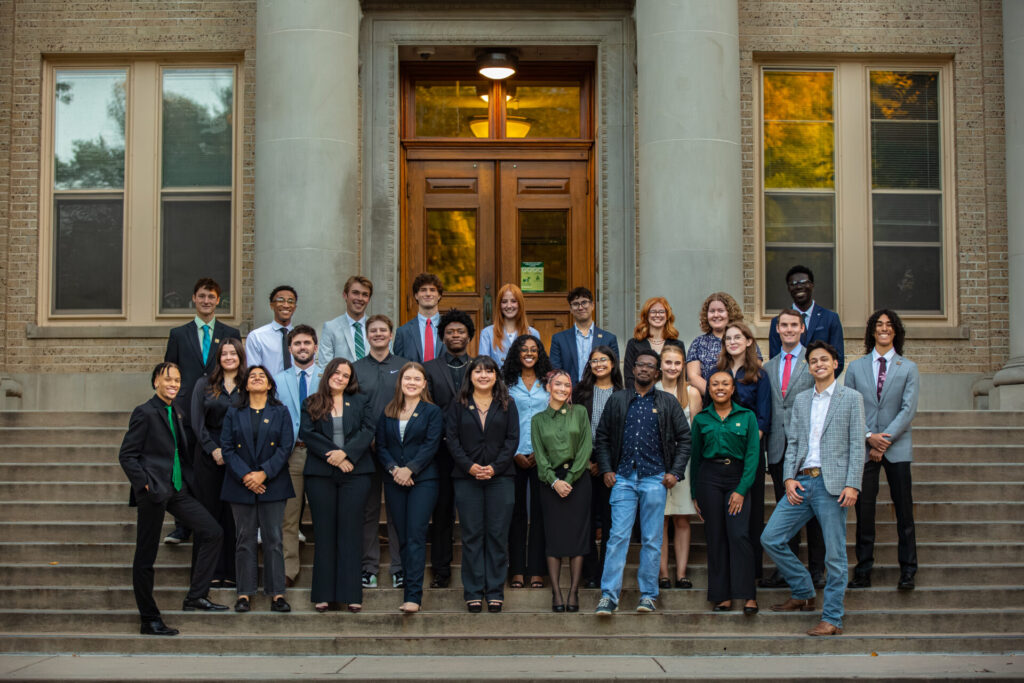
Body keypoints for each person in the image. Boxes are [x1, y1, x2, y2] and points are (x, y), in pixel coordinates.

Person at [760, 341, 865, 637]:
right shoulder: (803, 400)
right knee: (771, 537)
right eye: (814, 361)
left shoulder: (851, 398)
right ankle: (803, 589)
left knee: (835, 555)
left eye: (824, 359)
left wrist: (852, 484)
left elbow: (858, 446)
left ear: (835, 364)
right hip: (802, 482)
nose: (819, 364)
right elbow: (793, 443)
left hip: (833, 486)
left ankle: (832, 618)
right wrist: (788, 478)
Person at [118, 362, 227, 637]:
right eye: (168, 379)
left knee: (212, 531)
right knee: (146, 557)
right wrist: (144, 483)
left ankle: (196, 596)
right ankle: (149, 618)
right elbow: (127, 455)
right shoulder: (145, 412)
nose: (173, 384)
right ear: (156, 381)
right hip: (153, 491)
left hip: (177, 490)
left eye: (177, 380)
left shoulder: (176, 411)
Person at [593, 350, 691, 615]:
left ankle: (648, 594)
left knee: (651, 539)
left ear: (657, 373)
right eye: (641, 365)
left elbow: (685, 439)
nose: (645, 369)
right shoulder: (618, 400)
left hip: (655, 478)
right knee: (617, 538)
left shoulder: (668, 402)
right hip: (623, 477)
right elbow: (601, 437)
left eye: (651, 366)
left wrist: (675, 472)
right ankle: (608, 596)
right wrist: (606, 469)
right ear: (633, 370)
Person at [845, 309, 919, 591]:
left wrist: (883, 440)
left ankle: (908, 569)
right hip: (864, 448)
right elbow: (851, 407)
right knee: (864, 513)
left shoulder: (908, 367)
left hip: (897, 448)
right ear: (872, 332)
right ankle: (863, 570)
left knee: (904, 511)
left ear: (896, 331)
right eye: (879, 325)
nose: (884, 329)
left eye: (889, 325)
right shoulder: (855, 368)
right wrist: (868, 437)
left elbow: (908, 409)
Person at [163, 277, 241, 544]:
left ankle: (220, 523)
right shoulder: (178, 334)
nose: (206, 301)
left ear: (218, 301)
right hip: (186, 412)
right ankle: (183, 526)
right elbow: (169, 372)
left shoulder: (230, 333)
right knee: (184, 470)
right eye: (202, 296)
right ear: (194, 299)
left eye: (211, 297)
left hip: (219, 413)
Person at [299, 358, 376, 613]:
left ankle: (351, 594)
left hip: (356, 473)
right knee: (324, 533)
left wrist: (347, 455)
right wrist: (334, 455)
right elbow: (308, 433)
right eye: (337, 373)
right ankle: (323, 594)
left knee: (350, 532)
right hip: (321, 474)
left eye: (346, 374)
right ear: (328, 374)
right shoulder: (312, 402)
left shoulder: (361, 401)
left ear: (350, 379)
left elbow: (367, 430)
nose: (340, 378)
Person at [446, 356, 519, 613]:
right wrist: (470, 466)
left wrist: (494, 468)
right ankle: (474, 591)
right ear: (471, 376)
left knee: (497, 535)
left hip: (501, 478)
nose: (484, 375)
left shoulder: (508, 404)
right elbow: (452, 440)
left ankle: (496, 591)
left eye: (489, 371)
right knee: (472, 535)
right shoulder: (458, 404)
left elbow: (512, 440)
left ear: (496, 376)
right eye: (478, 371)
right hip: (467, 479)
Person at [219, 365, 295, 613]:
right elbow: (227, 448)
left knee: (274, 539)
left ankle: (277, 594)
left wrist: (263, 473)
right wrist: (247, 476)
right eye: (252, 376)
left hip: (273, 483)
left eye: (262, 376)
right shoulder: (234, 412)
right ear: (245, 385)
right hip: (240, 484)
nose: (257, 378)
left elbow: (285, 446)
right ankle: (244, 594)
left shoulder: (280, 412)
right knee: (244, 539)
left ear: (270, 385)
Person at [761, 309, 824, 589]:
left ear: (802, 329)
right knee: (786, 508)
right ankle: (788, 569)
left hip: (807, 447)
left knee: (813, 510)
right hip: (777, 446)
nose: (788, 329)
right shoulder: (769, 367)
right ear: (777, 330)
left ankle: (816, 569)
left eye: (793, 325)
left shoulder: (813, 363)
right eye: (783, 325)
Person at [375, 362, 443, 613]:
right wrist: (395, 469)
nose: (412, 383)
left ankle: (413, 596)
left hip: (423, 481)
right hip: (395, 480)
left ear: (424, 384)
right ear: (400, 382)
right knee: (402, 536)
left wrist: (410, 469)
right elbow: (380, 445)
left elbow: (431, 445)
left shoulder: (432, 412)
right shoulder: (389, 410)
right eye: (407, 378)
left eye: (417, 379)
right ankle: (406, 584)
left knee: (415, 535)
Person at [690, 371, 760, 614]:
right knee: (715, 536)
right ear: (708, 389)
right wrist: (694, 493)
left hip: (737, 478)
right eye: (714, 384)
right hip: (709, 479)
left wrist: (741, 490)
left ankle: (748, 594)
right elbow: (695, 458)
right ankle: (722, 595)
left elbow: (753, 457)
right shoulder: (701, 420)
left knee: (739, 534)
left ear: (733, 389)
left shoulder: (747, 416)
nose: (720, 387)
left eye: (725, 384)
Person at [421, 308, 475, 588]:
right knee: (441, 513)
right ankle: (441, 570)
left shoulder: (480, 367)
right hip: (440, 452)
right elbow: (427, 407)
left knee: (471, 516)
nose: (456, 335)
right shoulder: (428, 368)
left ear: (469, 336)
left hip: (473, 453)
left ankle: (475, 571)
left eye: (461, 331)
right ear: (442, 336)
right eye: (450, 331)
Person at [531, 369, 593, 612]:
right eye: (558, 384)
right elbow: (539, 454)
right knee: (554, 537)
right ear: (548, 387)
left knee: (578, 536)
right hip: (550, 483)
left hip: (578, 480)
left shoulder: (579, 413)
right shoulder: (538, 420)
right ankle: (556, 593)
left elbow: (585, 447)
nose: (563, 389)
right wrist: (554, 481)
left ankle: (573, 591)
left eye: (567, 385)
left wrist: (569, 478)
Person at [353, 314, 407, 590]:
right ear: (367, 335)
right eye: (372, 331)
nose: (377, 334)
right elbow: (351, 409)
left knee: (398, 512)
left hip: (398, 450)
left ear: (390, 335)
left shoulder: (404, 367)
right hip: (366, 450)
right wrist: (367, 437)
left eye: (382, 330)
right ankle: (368, 567)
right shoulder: (355, 369)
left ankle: (399, 568)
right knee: (368, 511)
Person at [189, 338, 246, 588]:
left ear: (240, 356)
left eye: (233, 353)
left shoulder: (247, 385)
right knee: (209, 515)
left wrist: (232, 452)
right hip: (208, 455)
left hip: (240, 456)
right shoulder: (204, 384)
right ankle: (207, 573)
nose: (229, 357)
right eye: (224, 354)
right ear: (218, 358)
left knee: (234, 516)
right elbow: (196, 422)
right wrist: (213, 449)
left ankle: (233, 572)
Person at [716, 321, 771, 581]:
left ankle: (752, 573)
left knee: (752, 513)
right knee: (727, 517)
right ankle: (728, 571)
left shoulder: (759, 374)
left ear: (749, 341)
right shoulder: (719, 373)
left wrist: (748, 446)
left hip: (750, 452)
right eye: (728, 338)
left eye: (738, 337)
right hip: (723, 455)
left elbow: (763, 417)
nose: (733, 342)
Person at [272, 325, 321, 588]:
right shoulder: (279, 380)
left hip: (322, 454)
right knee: (288, 516)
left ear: (315, 346)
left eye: (307, 343)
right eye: (297, 344)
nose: (302, 347)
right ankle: (288, 569)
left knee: (324, 515)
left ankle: (326, 570)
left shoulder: (327, 378)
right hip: (292, 454)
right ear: (290, 349)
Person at [504, 334, 553, 589]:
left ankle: (536, 569)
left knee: (540, 513)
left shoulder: (549, 382)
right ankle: (516, 570)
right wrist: (512, 452)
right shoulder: (506, 383)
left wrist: (541, 452)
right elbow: (501, 420)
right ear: (517, 353)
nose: (529, 353)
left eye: (534, 349)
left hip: (543, 456)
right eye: (524, 349)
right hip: (513, 456)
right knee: (516, 513)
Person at [573, 345, 624, 589]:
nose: (599, 364)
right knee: (585, 520)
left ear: (613, 364)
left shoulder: (623, 393)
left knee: (609, 521)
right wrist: (587, 462)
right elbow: (572, 429)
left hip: (612, 466)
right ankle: (590, 572)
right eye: (594, 360)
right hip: (583, 461)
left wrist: (604, 465)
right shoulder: (580, 391)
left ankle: (606, 571)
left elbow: (625, 435)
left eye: (603, 359)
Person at [656, 344, 702, 590]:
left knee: (682, 519)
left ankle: (681, 573)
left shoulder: (691, 392)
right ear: (660, 365)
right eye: (668, 362)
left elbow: (695, 433)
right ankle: (663, 573)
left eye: (677, 363)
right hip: (657, 463)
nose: (672, 367)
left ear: (683, 366)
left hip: (684, 463)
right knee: (660, 519)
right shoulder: (652, 390)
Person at [768, 265, 845, 376]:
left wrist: (819, 385)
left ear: (812, 285)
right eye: (793, 284)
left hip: (820, 388)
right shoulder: (778, 322)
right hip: (789, 388)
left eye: (803, 282)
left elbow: (838, 360)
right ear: (788, 289)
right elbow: (775, 360)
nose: (799, 287)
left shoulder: (830, 318)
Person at [549, 287, 620, 384]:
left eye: (584, 302)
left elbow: (614, 371)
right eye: (575, 304)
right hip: (570, 394)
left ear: (592, 305)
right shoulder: (559, 339)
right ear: (570, 309)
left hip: (601, 393)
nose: (580, 307)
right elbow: (555, 372)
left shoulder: (609, 339)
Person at [685, 291, 744, 397]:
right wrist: (716, 396)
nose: (716, 315)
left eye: (721, 311)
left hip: (742, 402)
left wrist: (732, 400)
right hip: (709, 402)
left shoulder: (743, 339)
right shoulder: (698, 343)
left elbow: (754, 369)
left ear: (730, 313)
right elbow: (693, 376)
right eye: (712, 311)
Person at [624, 297, 685, 390]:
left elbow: (683, 376)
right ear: (646, 315)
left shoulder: (677, 345)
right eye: (653, 312)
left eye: (661, 312)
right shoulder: (633, 344)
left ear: (667, 315)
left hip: (671, 397)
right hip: (641, 397)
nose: (657, 315)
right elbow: (629, 377)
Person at [317, 275, 373, 369]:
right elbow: (325, 368)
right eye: (355, 293)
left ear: (369, 299)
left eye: (365, 294)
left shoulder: (378, 329)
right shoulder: (331, 327)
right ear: (345, 295)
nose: (360, 298)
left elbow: (387, 364)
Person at [478, 284, 540, 366]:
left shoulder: (533, 333)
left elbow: (537, 365)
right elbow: (483, 366)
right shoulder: (487, 333)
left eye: (513, 301)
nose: (509, 306)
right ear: (499, 305)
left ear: (520, 304)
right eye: (504, 302)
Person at [245, 285, 297, 376]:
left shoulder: (302, 338)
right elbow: (253, 372)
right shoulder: (257, 337)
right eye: (280, 300)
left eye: (290, 301)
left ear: (295, 307)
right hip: (269, 389)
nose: (286, 305)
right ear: (272, 305)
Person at [393, 273, 445, 363]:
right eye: (423, 290)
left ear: (439, 295)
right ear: (416, 295)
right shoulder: (403, 332)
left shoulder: (450, 328)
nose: (428, 294)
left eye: (432, 290)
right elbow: (399, 367)